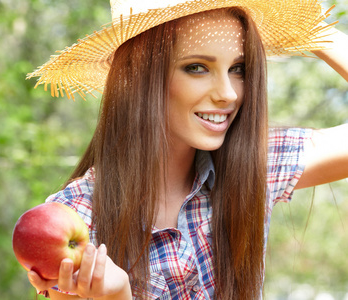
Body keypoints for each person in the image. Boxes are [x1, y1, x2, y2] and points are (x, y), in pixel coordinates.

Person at [23, 0, 348, 299]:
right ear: (138, 74)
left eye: (238, 69)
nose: (228, 94)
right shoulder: (73, 220)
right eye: (197, 67)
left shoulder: (251, 164)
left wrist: (315, 33)